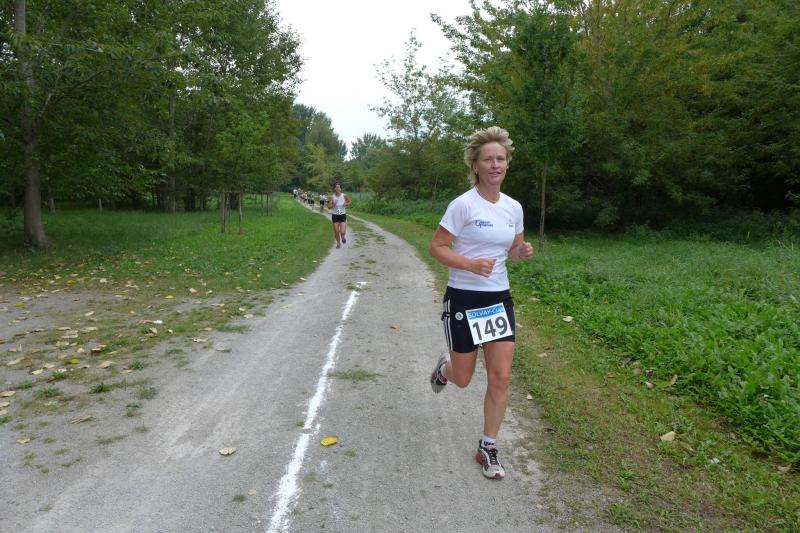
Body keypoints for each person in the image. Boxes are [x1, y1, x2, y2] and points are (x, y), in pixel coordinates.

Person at [428, 126, 534, 480]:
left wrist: (521, 252)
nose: (495, 165)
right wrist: (470, 264)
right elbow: (437, 247)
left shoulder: (513, 207)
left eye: (501, 159)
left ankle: (488, 447)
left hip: (498, 300)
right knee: (462, 378)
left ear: (507, 164)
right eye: (488, 159)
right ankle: (444, 370)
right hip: (463, 297)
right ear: (475, 165)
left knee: (500, 377)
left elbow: (512, 250)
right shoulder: (463, 205)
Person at [326, 181, 352, 249]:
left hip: (342, 215)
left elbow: (350, 202)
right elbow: (328, 207)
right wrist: (333, 205)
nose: (337, 188)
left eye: (338, 187)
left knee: (342, 232)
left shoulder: (344, 195)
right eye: (336, 187)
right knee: (336, 232)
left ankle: (343, 237)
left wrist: (346, 204)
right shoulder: (332, 197)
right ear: (334, 188)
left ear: (340, 189)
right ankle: (338, 243)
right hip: (335, 216)